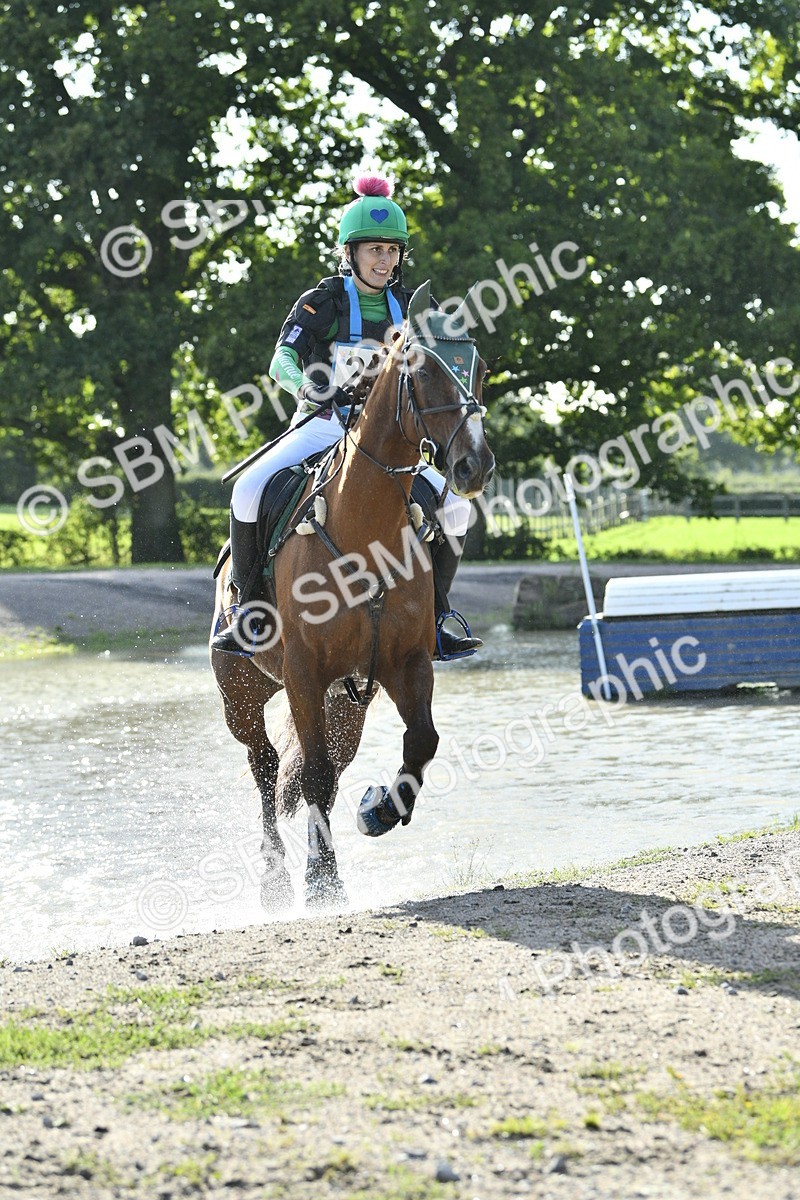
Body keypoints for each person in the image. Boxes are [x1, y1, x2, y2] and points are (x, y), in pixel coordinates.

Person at [211, 172, 482, 659]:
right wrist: (306, 385)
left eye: (392, 250)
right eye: (374, 249)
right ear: (351, 253)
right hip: (320, 426)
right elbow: (281, 361)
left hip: (390, 440)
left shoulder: (412, 307)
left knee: (458, 507)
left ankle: (437, 618)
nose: (385, 260)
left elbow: (442, 366)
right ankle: (249, 608)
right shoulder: (324, 302)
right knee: (248, 490)